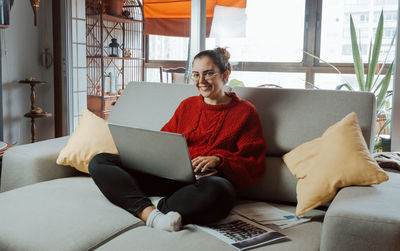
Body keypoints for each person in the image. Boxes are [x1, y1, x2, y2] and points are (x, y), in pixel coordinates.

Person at [88, 47, 267, 232]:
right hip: (167, 176)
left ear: (225, 74)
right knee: (100, 161)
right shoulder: (187, 105)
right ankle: (152, 215)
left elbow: (254, 164)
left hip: (203, 183)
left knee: (221, 193)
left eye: (209, 74)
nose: (201, 81)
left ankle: (151, 205)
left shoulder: (245, 112)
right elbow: (164, 140)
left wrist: (219, 160)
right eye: (196, 75)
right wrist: (144, 155)